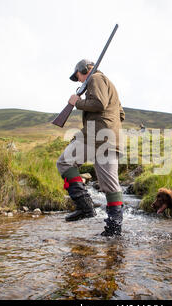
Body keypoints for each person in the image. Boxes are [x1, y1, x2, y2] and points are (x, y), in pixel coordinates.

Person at [56, 59, 125, 237]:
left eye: (77, 76)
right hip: (111, 139)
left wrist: (77, 102)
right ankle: (114, 230)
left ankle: (85, 207)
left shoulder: (95, 78)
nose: (78, 81)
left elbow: (99, 104)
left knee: (64, 162)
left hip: (96, 136)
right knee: (111, 186)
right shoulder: (109, 84)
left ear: (83, 70)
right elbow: (121, 114)